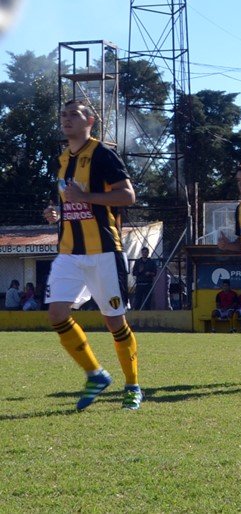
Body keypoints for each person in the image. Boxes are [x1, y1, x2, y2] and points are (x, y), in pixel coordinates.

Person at [41, 100, 142, 410]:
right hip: (70, 252)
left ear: (90, 121)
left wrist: (85, 197)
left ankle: (132, 386)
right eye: (64, 114)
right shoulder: (62, 159)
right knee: (57, 314)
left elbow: (128, 195)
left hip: (104, 251)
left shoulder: (102, 154)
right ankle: (95, 374)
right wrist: (58, 214)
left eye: (74, 114)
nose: (67, 119)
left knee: (114, 322)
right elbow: (73, 202)